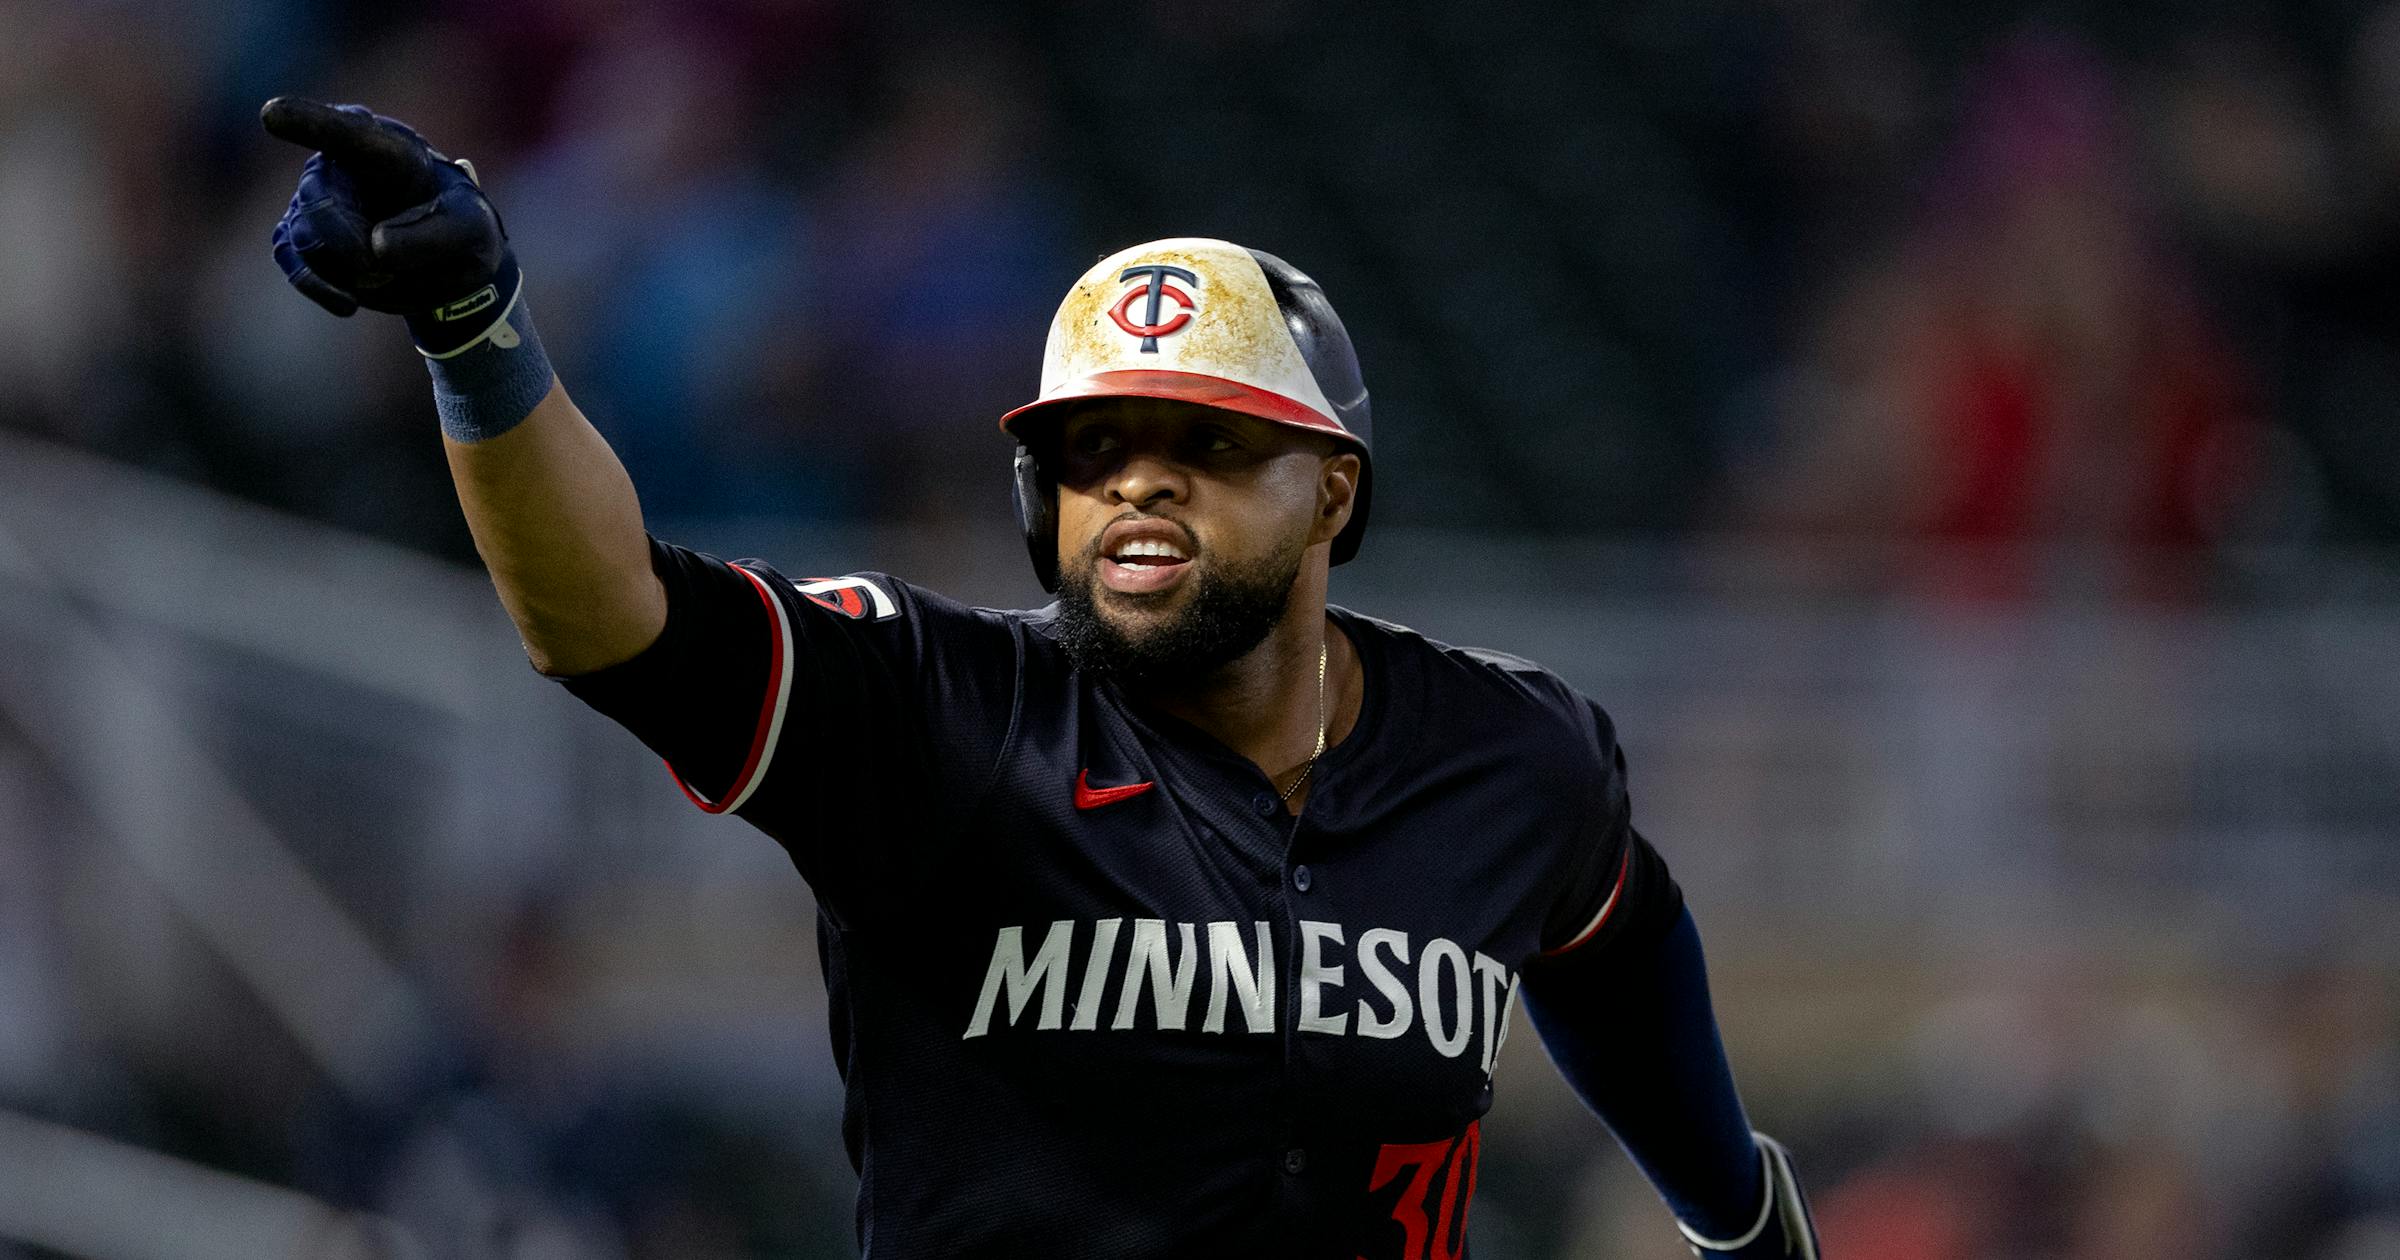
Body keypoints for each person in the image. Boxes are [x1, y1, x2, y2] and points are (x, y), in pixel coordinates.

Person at [262, 96, 1821, 1259]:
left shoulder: (1511, 754)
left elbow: (1613, 943)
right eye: (1092, 450)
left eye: (1207, 444)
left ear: (1335, 492)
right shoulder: (933, 710)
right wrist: (477, 333)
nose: (1138, 483)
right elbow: (606, 614)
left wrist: (1739, 1215)